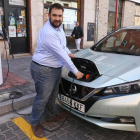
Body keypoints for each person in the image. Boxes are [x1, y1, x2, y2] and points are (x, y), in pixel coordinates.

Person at [30, 3, 84, 138]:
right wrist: (76, 71)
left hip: (54, 68)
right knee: (42, 98)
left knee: (52, 95)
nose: (57, 18)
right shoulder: (48, 32)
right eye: (54, 15)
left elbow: (62, 46)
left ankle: (50, 116)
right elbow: (61, 54)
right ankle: (34, 122)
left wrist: (69, 52)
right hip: (43, 70)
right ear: (49, 15)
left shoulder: (58, 28)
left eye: (60, 16)